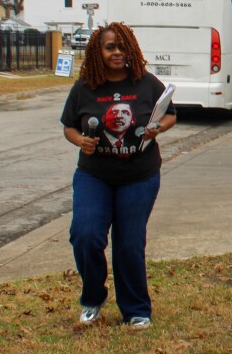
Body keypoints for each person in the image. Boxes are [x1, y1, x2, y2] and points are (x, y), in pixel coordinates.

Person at [60, 22, 177, 329]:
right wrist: (80, 141)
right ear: (97, 51)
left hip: (139, 176)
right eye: (110, 47)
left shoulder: (145, 82)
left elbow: (170, 113)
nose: (116, 53)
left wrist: (158, 128)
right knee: (85, 235)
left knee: (128, 242)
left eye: (122, 47)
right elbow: (69, 126)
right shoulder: (85, 86)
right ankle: (93, 297)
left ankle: (136, 309)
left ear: (131, 50)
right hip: (94, 176)